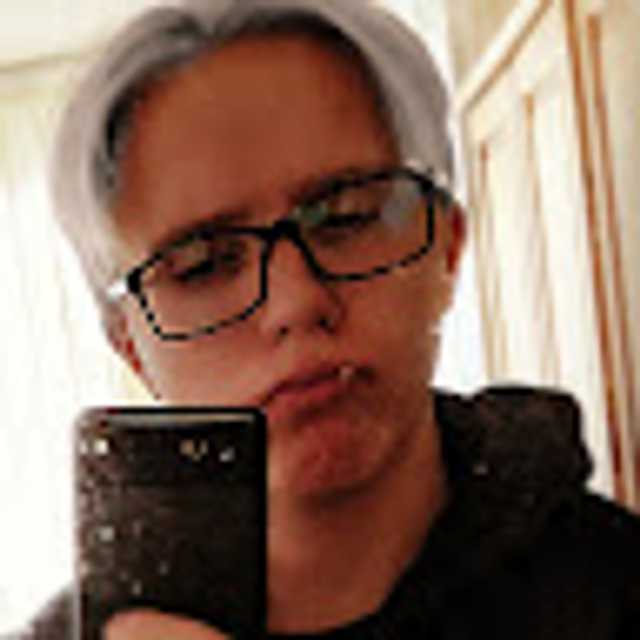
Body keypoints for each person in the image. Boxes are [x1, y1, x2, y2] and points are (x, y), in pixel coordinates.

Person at [25, 0, 640, 638]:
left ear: (446, 246)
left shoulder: (616, 588)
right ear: (130, 346)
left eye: (346, 218)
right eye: (203, 266)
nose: (296, 304)